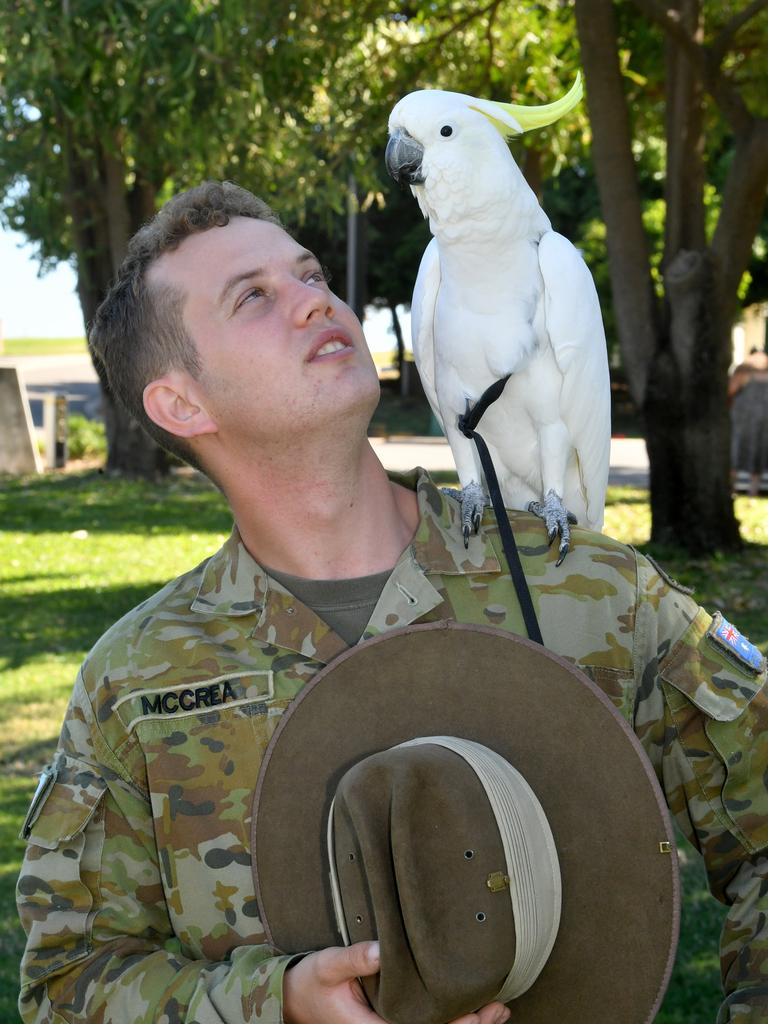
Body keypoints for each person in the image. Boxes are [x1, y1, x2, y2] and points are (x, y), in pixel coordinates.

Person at [16, 181, 767, 1024]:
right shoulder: (135, 683)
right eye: (254, 297)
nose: (313, 300)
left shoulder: (590, 592)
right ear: (181, 403)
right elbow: (65, 985)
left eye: (309, 275)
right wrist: (277, 1005)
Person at [729, 346, 768, 496]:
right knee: (758, 454)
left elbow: (730, 391)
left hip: (742, 421)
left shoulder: (743, 369)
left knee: (736, 453)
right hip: (763, 422)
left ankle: (731, 490)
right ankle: (753, 491)